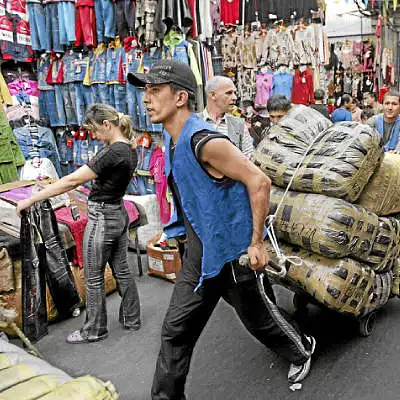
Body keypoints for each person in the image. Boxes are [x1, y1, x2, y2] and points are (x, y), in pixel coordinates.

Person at [128, 60, 315, 400]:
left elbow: (259, 181)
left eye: (155, 91)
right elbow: (190, 195)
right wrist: (172, 232)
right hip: (203, 252)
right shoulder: (173, 140)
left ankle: (302, 348)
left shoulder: (204, 140)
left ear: (181, 97)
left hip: (231, 252)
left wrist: (256, 244)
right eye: (146, 91)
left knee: (254, 317)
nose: (146, 99)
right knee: (176, 330)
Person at [16, 104, 141, 343]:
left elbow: (72, 180)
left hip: (103, 217)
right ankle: (132, 318)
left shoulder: (111, 152)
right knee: (122, 270)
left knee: (93, 277)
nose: (93, 136)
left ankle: (94, 329)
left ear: (107, 124)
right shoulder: (130, 148)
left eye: (94, 130)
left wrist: (32, 198)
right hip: (118, 212)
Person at [199, 75, 254, 158]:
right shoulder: (194, 122)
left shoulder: (239, 125)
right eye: (229, 93)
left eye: (234, 93)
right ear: (213, 95)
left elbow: (249, 158)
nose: (235, 98)